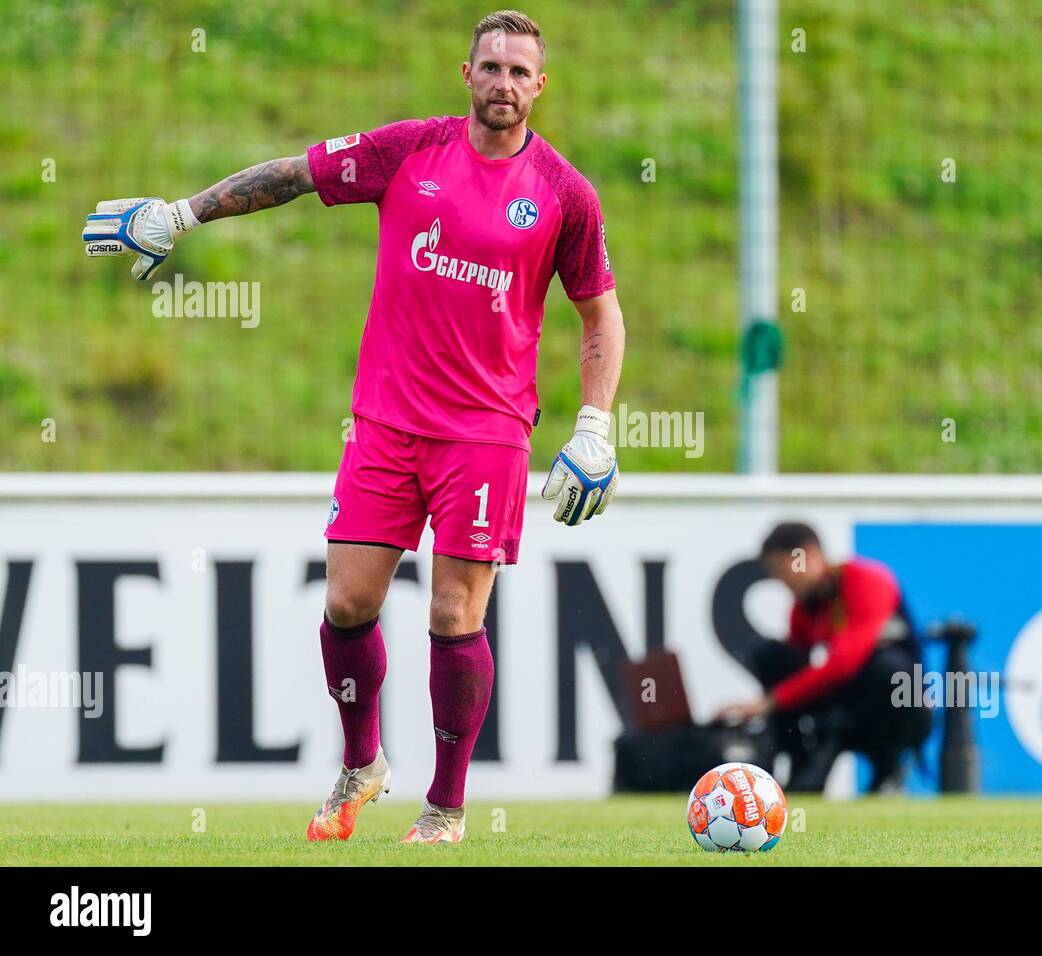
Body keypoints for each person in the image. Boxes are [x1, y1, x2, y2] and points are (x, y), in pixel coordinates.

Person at [82, 10, 624, 844]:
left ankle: (444, 808)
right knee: (346, 604)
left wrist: (595, 427)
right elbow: (296, 174)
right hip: (385, 421)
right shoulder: (410, 150)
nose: (504, 85)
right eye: (491, 67)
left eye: (520, 73)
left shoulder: (564, 194)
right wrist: (182, 216)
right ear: (467, 72)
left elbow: (600, 319)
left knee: (453, 616)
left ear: (540, 87)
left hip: (487, 432)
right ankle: (362, 761)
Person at [716, 522, 931, 793]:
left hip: (899, 708)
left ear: (808, 554)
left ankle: (887, 767)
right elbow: (797, 668)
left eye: (782, 570)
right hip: (847, 708)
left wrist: (770, 702)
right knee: (770, 656)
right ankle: (799, 763)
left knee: (886, 669)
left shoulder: (867, 580)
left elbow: (843, 665)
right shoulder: (803, 609)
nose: (781, 581)